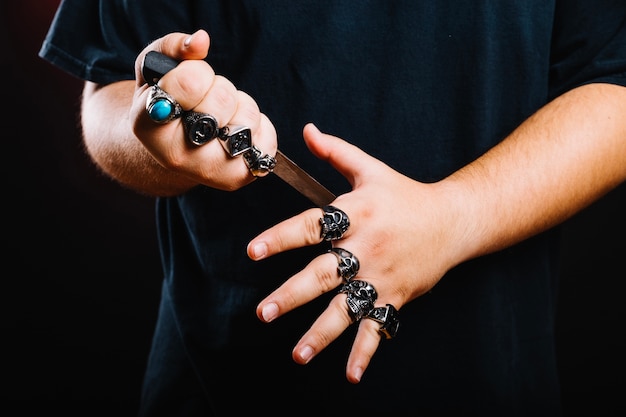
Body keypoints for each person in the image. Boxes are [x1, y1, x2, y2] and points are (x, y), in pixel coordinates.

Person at [39, 1, 626, 415]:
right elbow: (113, 89)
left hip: (490, 376)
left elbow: (616, 87)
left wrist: (453, 219)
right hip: (221, 381)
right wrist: (156, 132)